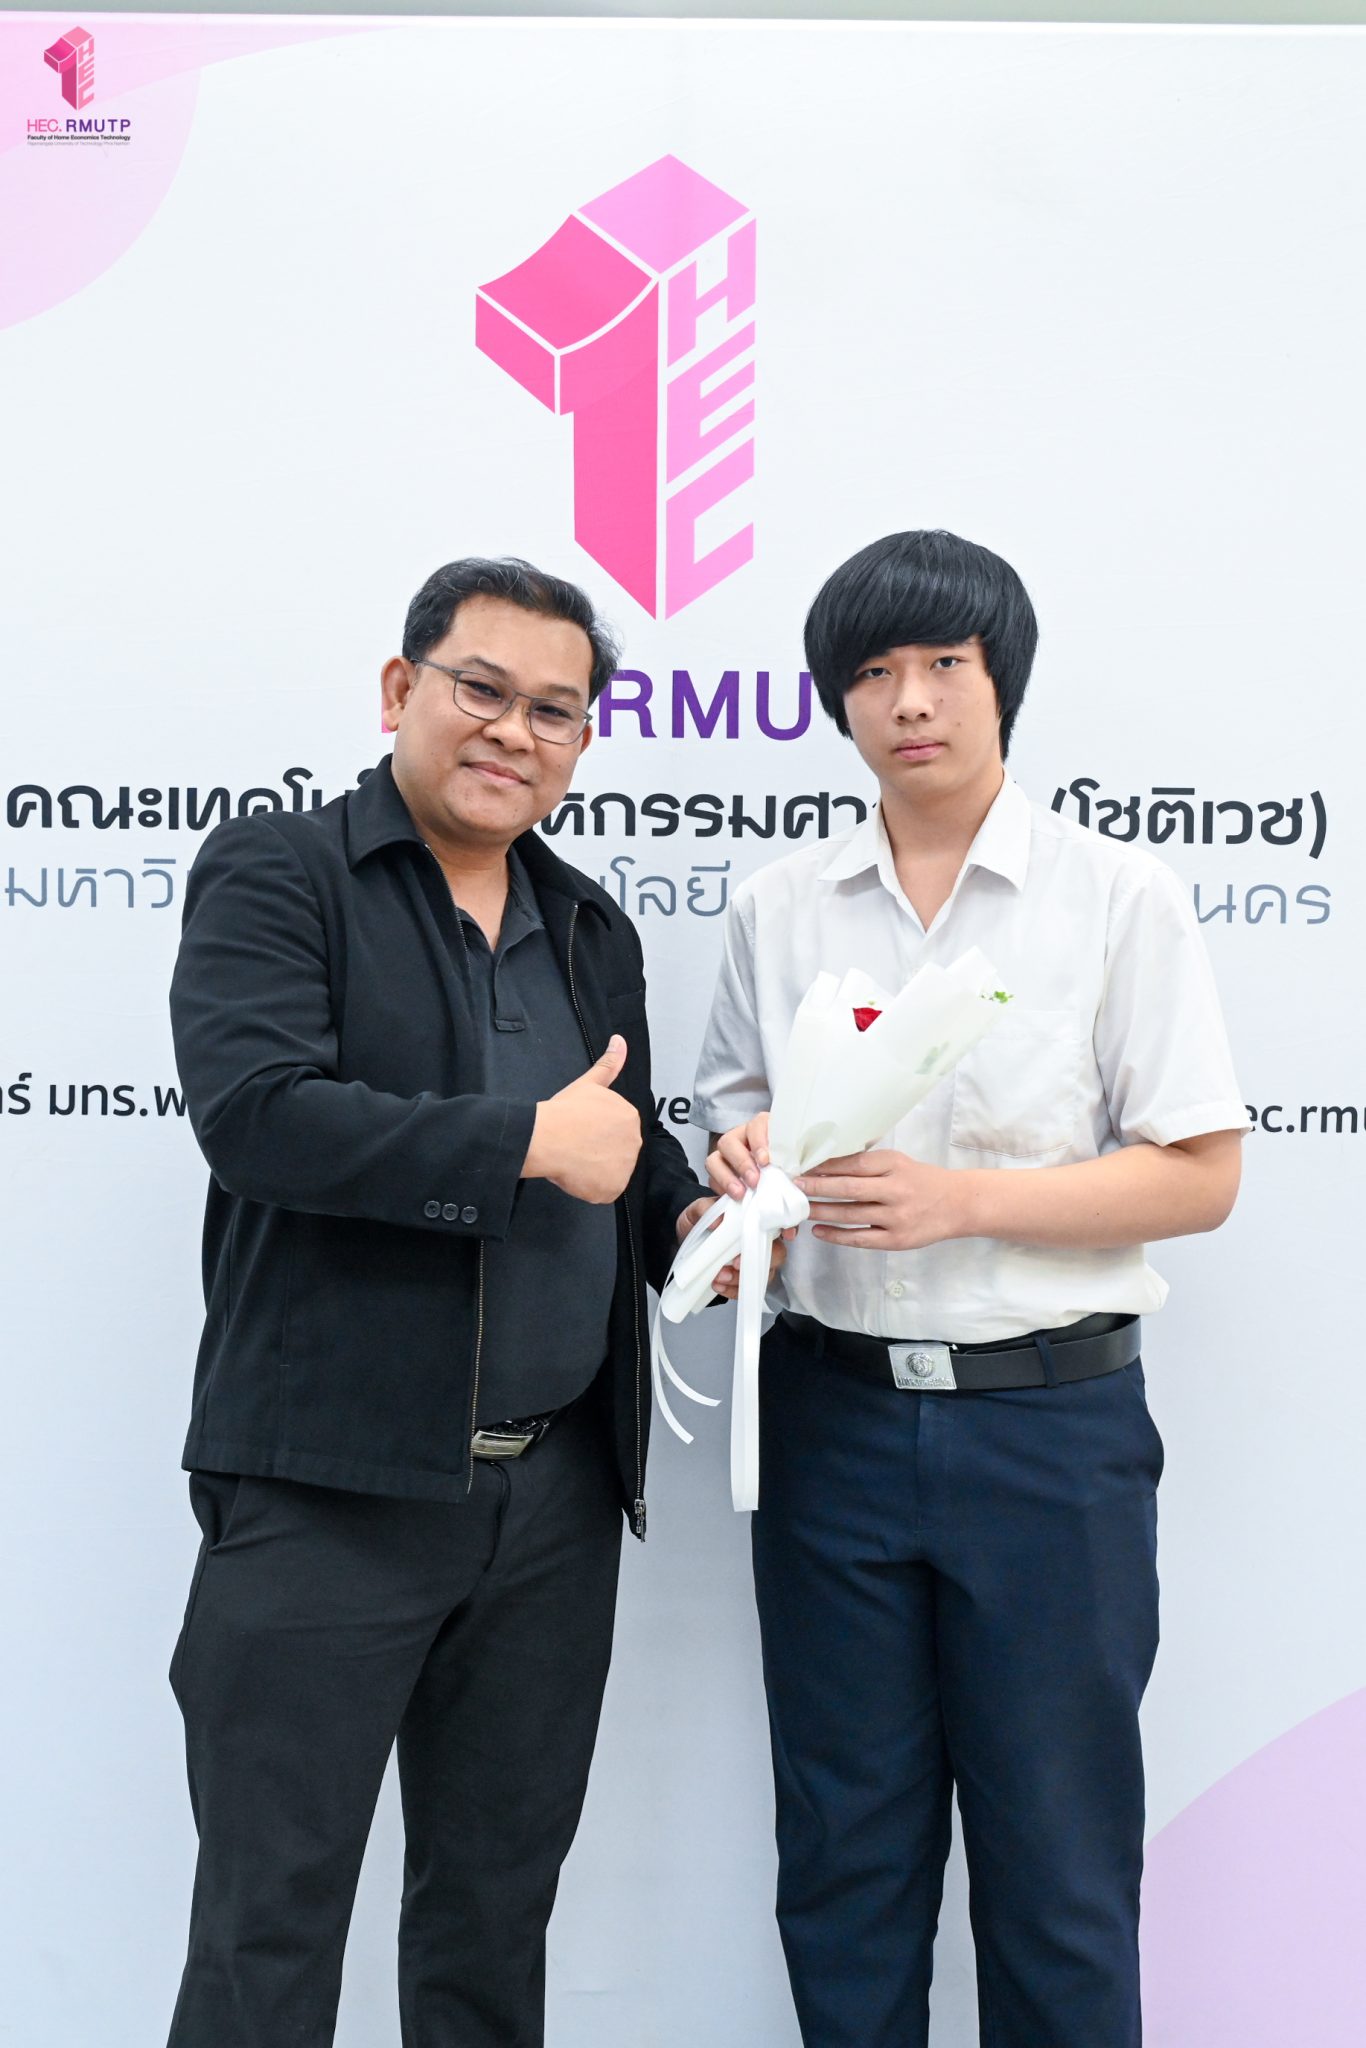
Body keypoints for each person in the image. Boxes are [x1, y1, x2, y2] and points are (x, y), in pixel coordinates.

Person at [692, 530, 1249, 2048]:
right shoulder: (777, 908)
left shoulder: (1114, 897)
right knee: (843, 1858)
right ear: (836, 701)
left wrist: (965, 1203)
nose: (910, 701)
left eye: (946, 663)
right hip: (831, 1426)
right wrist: (740, 1179)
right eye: (872, 672)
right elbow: (730, 1141)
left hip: (1046, 1435)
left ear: (1005, 682)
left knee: (1057, 1867)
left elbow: (1199, 1175)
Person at [165, 558, 718, 2048]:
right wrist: (525, 1142)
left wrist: (703, 1213)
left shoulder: (590, 925)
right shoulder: (281, 871)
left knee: (492, 1919)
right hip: (328, 1488)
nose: (514, 731)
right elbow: (259, 1118)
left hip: (552, 1502)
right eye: (483, 689)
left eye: (555, 710)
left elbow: (622, 1150)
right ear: (401, 689)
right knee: (267, 1927)